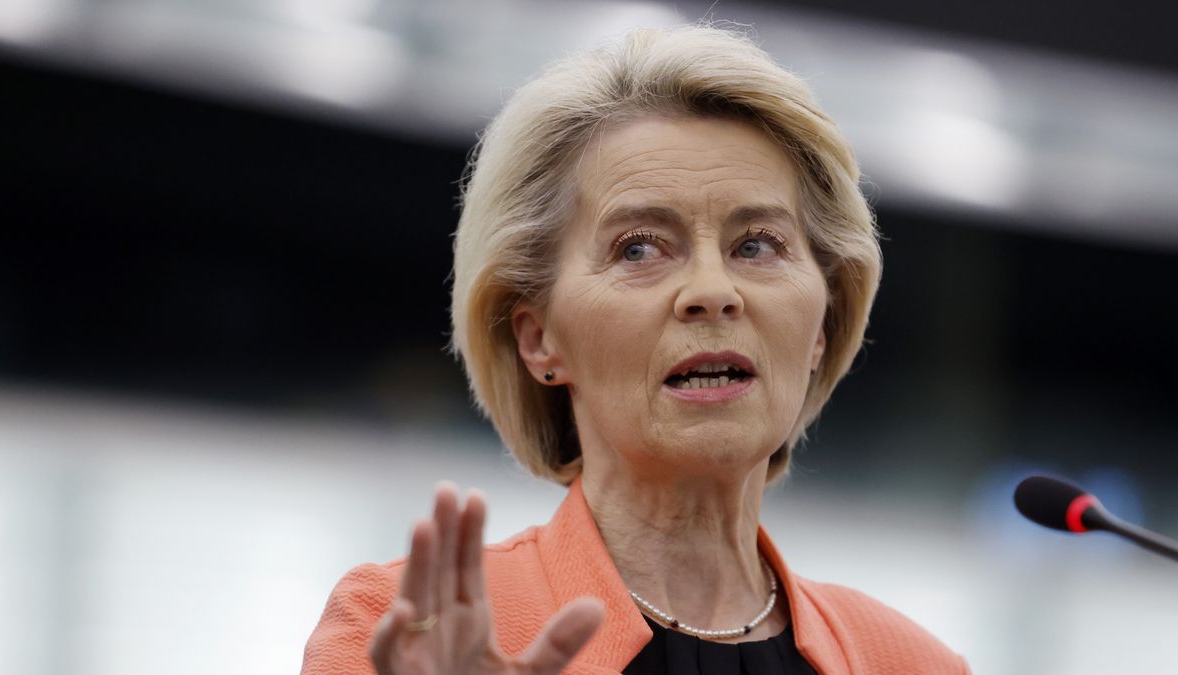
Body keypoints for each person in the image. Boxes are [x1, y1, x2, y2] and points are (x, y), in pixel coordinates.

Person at [302, 24, 970, 674]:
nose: (712, 291)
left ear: (822, 327)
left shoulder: (916, 665)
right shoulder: (403, 630)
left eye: (756, 245)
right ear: (538, 339)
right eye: (640, 247)